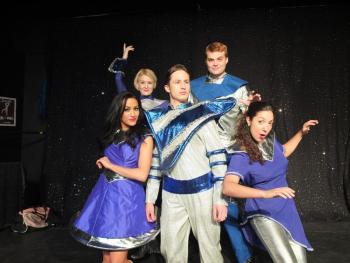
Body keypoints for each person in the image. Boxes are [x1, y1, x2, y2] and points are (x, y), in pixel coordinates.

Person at [145, 64, 235, 263]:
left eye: (186, 81)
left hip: (203, 192)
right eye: (177, 82)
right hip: (171, 195)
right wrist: (150, 199)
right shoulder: (160, 121)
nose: (183, 86)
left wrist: (221, 199)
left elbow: (218, 158)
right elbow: (156, 163)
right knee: (171, 251)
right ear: (167, 88)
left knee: (210, 252)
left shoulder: (201, 115)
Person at [190, 41, 259, 263]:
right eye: (211, 59)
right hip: (203, 153)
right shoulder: (194, 87)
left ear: (227, 60)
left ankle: (242, 254)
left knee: (228, 206)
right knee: (206, 205)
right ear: (206, 61)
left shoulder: (239, 86)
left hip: (230, 152)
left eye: (220, 59)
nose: (215, 63)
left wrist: (251, 107)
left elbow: (248, 120)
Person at [223, 101, 317, 263]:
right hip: (262, 211)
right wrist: (266, 193)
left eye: (270, 123)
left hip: (286, 208)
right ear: (248, 120)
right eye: (260, 121)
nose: (265, 128)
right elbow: (228, 187)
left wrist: (301, 133)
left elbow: (284, 152)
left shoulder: (269, 141)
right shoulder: (241, 153)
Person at [71, 91, 160, 263]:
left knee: (117, 260)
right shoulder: (112, 134)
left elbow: (142, 175)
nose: (133, 113)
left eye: (136, 109)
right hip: (105, 198)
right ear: (118, 111)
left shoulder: (145, 138)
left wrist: (111, 165)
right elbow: (113, 157)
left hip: (126, 202)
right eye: (127, 109)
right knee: (107, 259)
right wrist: (103, 162)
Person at [108, 43, 168, 111]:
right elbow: (118, 78)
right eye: (142, 82)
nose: (146, 86)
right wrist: (124, 58)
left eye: (149, 83)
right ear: (137, 84)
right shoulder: (132, 103)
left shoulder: (164, 104)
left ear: (154, 84)